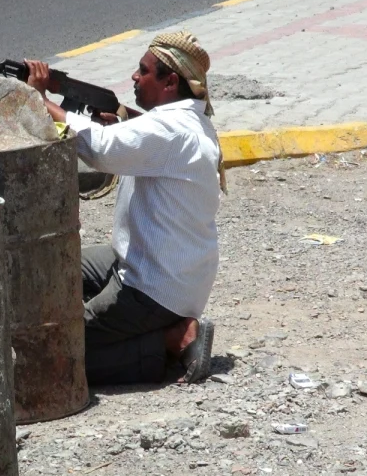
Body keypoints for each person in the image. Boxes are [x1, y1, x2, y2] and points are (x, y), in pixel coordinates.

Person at [24, 31, 223, 385]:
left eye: (143, 71)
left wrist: (38, 99)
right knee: (54, 265)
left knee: (55, 356)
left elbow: (100, 149)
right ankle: (141, 328)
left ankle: (170, 341)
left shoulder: (170, 128)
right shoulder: (189, 121)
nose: (134, 76)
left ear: (170, 82)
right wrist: (114, 123)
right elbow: (132, 138)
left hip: (154, 288)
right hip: (160, 267)